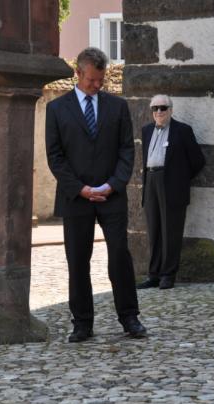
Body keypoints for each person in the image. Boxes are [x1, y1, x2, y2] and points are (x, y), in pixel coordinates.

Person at [45, 47, 146, 343]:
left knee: (120, 256)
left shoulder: (117, 107)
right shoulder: (57, 109)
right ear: (78, 74)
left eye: (101, 80)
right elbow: (55, 156)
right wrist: (80, 188)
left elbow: (127, 150)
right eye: (91, 80)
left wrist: (113, 184)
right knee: (78, 261)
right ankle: (82, 323)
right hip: (75, 198)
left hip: (111, 196)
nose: (97, 85)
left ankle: (129, 317)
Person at [136, 95, 205, 290]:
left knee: (171, 232)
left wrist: (179, 179)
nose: (159, 112)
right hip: (151, 180)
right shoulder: (147, 130)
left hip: (172, 185)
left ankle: (168, 274)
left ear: (171, 110)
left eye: (163, 108)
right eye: (155, 108)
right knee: (154, 230)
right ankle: (154, 275)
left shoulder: (182, 130)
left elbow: (198, 161)